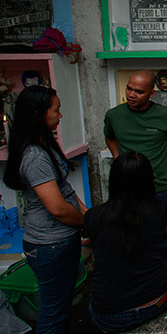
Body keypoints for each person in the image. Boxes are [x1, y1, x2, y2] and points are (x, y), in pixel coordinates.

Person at [3, 86, 87, 334]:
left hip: (62, 239)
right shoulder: (34, 156)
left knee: (61, 307)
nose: (60, 115)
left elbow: (66, 190)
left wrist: (88, 215)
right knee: (53, 312)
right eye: (56, 110)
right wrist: (86, 221)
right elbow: (58, 208)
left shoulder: (46, 145)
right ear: (38, 114)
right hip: (49, 245)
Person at [104, 70, 167, 254]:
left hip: (160, 188)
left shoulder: (165, 115)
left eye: (139, 91)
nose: (132, 95)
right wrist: (118, 158)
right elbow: (109, 136)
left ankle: (166, 278)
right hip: (126, 189)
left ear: (151, 94)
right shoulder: (114, 115)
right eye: (129, 89)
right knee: (128, 239)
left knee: (163, 239)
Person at [85, 152, 167, 333]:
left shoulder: (94, 216)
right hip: (153, 302)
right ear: (149, 180)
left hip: (107, 315)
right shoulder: (161, 212)